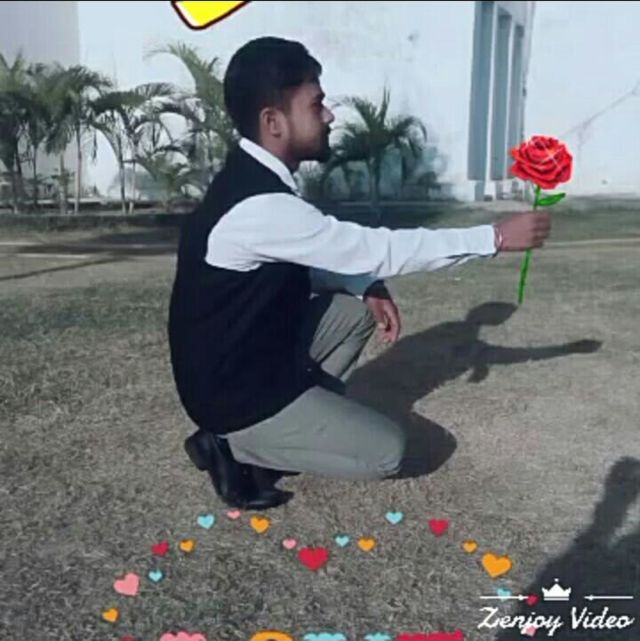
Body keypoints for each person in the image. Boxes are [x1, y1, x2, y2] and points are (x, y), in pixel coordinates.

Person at [167, 36, 551, 510]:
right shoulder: (259, 206)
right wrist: (493, 238)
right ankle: (229, 444)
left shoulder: (250, 180)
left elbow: (304, 262)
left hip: (248, 364)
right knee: (386, 450)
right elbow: (379, 249)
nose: (329, 116)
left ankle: (291, 424)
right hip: (233, 396)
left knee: (355, 311)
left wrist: (362, 283)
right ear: (273, 122)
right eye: (316, 104)